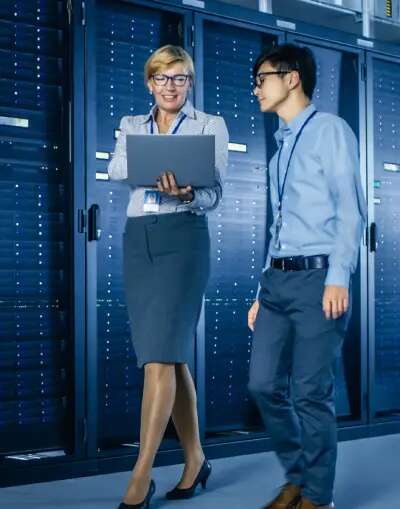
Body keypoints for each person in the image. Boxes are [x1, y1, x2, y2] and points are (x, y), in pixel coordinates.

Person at [108, 45, 228, 509]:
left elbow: (216, 193)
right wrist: (150, 167)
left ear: (190, 82)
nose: (170, 86)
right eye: (161, 79)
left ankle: (140, 476)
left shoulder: (209, 125)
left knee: (158, 358)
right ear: (149, 83)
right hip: (139, 241)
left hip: (184, 238)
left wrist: (188, 192)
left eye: (179, 78)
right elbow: (117, 168)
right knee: (171, 355)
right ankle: (195, 459)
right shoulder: (131, 126)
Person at [247, 44, 367, 509]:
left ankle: (317, 496)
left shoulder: (330, 131)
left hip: (319, 280)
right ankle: (298, 476)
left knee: (310, 393)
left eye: (262, 79)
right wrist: (262, 290)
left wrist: (339, 275)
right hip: (277, 283)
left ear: (291, 78)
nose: (256, 88)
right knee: (262, 385)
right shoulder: (279, 153)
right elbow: (277, 228)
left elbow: (350, 210)